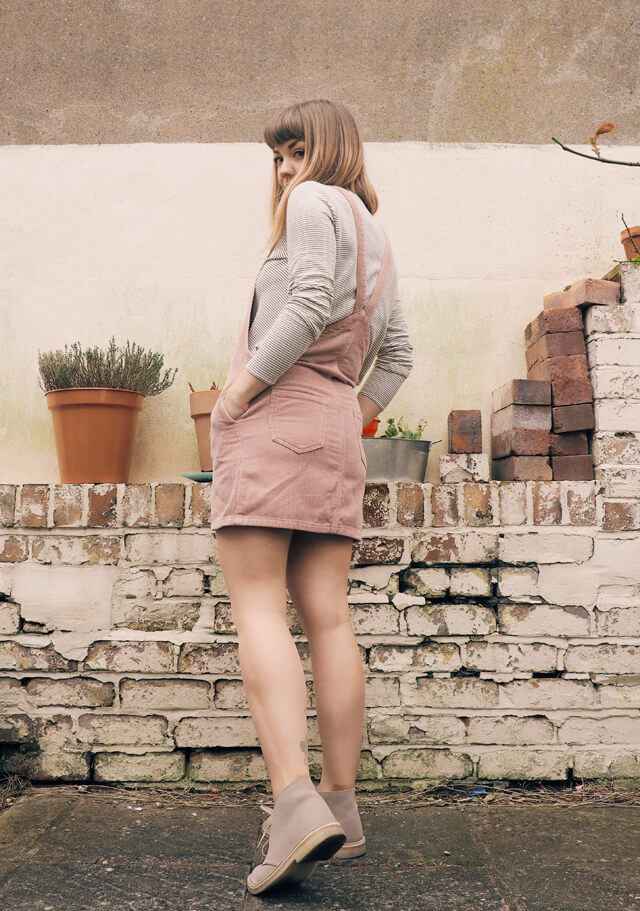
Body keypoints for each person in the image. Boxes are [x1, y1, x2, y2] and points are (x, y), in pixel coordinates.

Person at [208, 98, 413, 895]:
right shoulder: (379, 233)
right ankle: (341, 805)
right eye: (277, 158)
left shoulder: (310, 204)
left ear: (325, 151)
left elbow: (305, 302)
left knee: (258, 607)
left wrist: (237, 397)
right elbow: (396, 356)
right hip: (334, 433)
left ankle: (294, 803)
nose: (284, 169)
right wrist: (342, 416)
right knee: (329, 615)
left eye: (293, 150)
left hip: (273, 419)